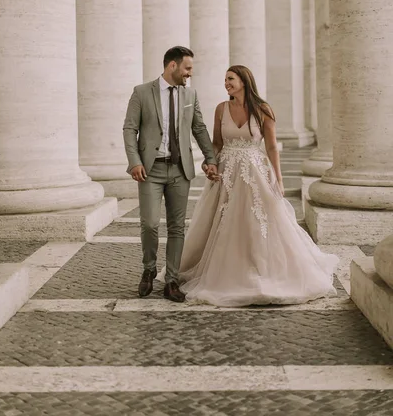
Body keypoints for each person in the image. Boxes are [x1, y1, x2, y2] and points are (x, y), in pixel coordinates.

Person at [172, 65, 339, 307]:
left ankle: (261, 269)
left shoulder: (263, 109)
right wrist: (211, 164)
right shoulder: (221, 109)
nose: (226, 83)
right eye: (225, 79)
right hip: (227, 173)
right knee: (223, 220)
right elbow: (217, 143)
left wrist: (278, 179)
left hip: (255, 171)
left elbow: (271, 146)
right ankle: (225, 270)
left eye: (230, 79)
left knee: (258, 220)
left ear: (243, 80)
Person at [123, 46, 218, 302]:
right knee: (150, 224)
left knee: (177, 228)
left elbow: (199, 128)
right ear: (172, 66)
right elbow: (129, 128)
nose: (190, 73)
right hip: (150, 170)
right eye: (187, 68)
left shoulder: (190, 94)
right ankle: (148, 269)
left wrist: (211, 158)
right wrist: (134, 161)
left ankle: (172, 281)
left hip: (180, 169)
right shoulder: (142, 92)